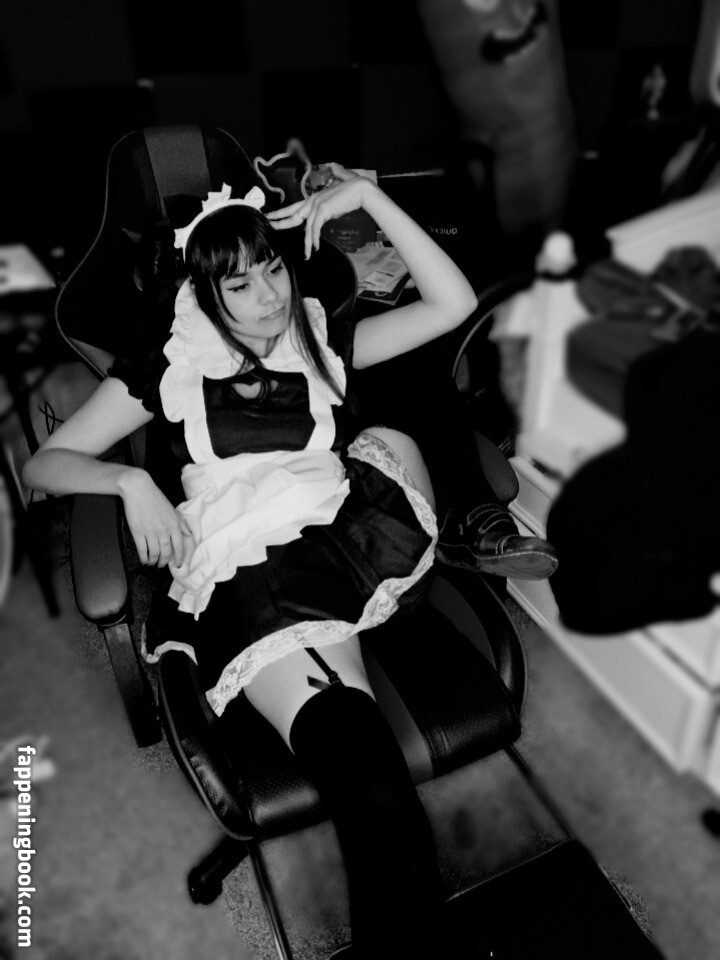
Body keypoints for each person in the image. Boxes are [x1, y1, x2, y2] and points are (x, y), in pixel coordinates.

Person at [23, 165, 481, 958]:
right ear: (204, 294)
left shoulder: (319, 336)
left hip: (339, 542)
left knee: (376, 792)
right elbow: (45, 464)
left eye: (273, 268)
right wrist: (129, 481)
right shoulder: (168, 363)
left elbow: (455, 304)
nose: (269, 297)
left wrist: (369, 198)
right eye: (240, 285)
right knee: (374, 788)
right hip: (248, 572)